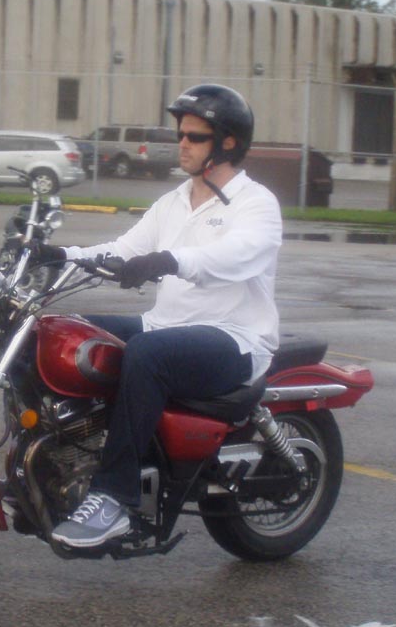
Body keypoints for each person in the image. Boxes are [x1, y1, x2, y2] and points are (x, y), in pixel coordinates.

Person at [34, 83, 283, 548]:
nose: (182, 144)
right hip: (165, 326)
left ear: (228, 143)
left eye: (195, 137)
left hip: (235, 338)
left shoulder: (256, 203)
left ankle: (114, 497)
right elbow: (123, 249)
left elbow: (237, 255)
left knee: (148, 353)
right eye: (180, 135)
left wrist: (170, 260)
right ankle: (53, 463)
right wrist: (60, 255)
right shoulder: (173, 202)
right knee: (55, 332)